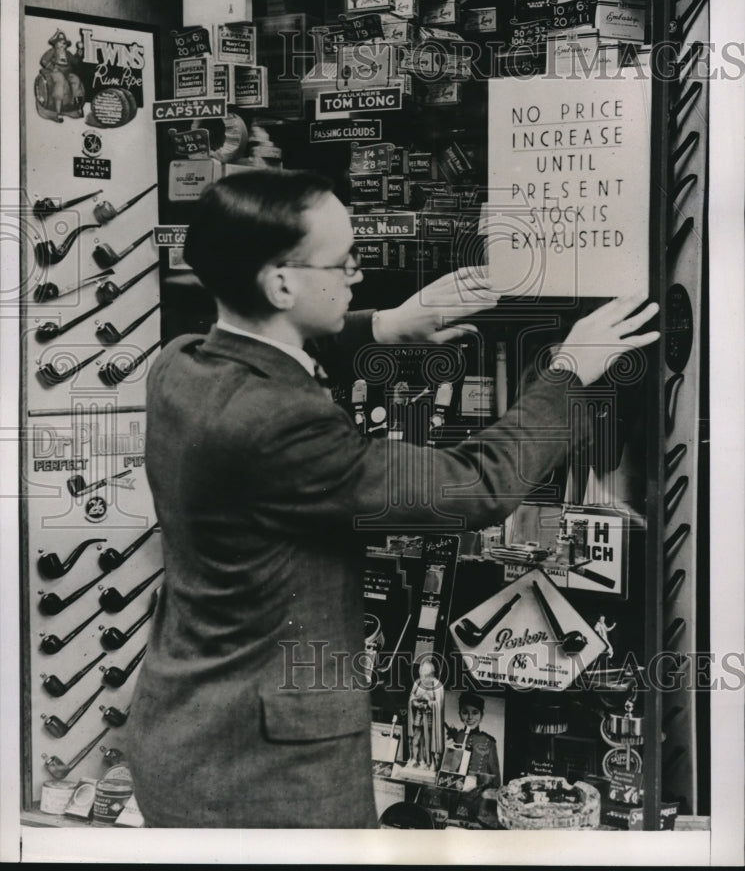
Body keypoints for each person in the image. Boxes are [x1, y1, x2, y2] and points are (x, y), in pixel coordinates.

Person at [126, 168, 659, 829]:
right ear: (282, 283)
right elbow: (476, 486)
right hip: (265, 776)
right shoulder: (282, 428)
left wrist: (384, 325)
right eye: (344, 261)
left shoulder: (180, 364)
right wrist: (571, 368)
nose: (356, 271)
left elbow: (265, 355)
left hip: (183, 731)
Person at [445, 691, 500, 783]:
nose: (470, 717)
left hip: (479, 790)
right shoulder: (455, 737)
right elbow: (447, 769)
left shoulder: (489, 740)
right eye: (465, 712)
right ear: (460, 715)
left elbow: (495, 776)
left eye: (475, 713)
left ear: (481, 716)